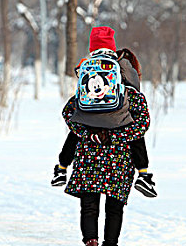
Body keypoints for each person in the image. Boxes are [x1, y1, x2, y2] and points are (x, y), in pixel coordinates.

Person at [59, 26, 151, 246]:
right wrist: (115, 136)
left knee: (89, 207)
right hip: (119, 155)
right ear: (113, 46)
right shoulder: (124, 76)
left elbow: (69, 114)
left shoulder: (86, 73)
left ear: (91, 47)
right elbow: (141, 122)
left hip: (89, 153)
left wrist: (91, 135)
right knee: (114, 208)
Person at [52, 30, 157, 198]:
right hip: (118, 119)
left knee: (75, 129)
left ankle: (62, 168)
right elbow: (134, 85)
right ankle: (144, 174)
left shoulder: (88, 64)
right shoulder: (121, 64)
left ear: (92, 47)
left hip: (89, 118)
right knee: (136, 131)